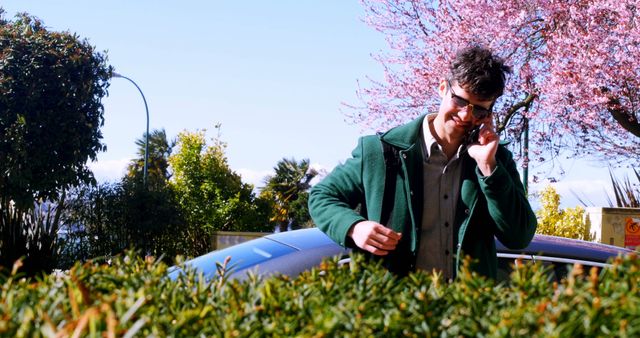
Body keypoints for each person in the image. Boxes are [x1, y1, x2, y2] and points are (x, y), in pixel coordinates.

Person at [308, 45, 537, 279]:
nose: (466, 115)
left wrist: (489, 169)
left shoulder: (495, 161)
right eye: (459, 101)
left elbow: (519, 236)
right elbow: (322, 196)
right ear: (442, 88)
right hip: (395, 311)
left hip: (467, 312)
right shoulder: (382, 151)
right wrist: (354, 227)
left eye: (479, 110)